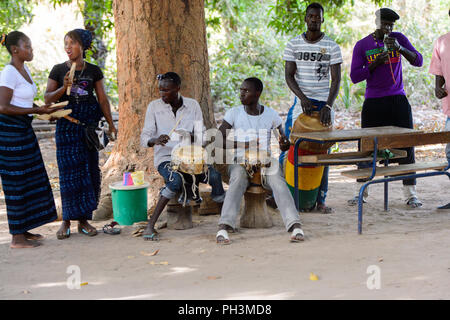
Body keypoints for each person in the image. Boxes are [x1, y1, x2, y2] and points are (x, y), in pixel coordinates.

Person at [44, 29, 117, 239]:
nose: (68, 47)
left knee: (88, 172)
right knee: (69, 174)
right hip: (67, 128)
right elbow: (48, 99)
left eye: (72, 43)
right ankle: (65, 221)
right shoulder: (58, 70)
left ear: (82, 46)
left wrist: (111, 125)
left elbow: (103, 99)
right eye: (65, 43)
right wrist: (63, 88)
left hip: (89, 128)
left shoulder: (93, 70)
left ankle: (84, 222)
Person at [215, 77, 304, 244]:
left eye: (246, 91)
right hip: (240, 160)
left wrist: (284, 143)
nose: (241, 94)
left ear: (257, 93)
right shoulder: (234, 113)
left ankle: (295, 225)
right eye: (241, 90)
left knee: (278, 181)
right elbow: (219, 140)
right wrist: (243, 144)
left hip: (266, 160)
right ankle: (224, 226)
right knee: (238, 178)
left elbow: (283, 143)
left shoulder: (271, 114)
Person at [349, 8, 423, 208]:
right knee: (367, 147)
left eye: (391, 25)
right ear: (376, 22)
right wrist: (375, 63)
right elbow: (355, 77)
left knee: (406, 146)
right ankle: (361, 193)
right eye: (384, 24)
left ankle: (410, 194)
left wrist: (400, 48)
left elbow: (419, 61)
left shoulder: (398, 39)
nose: (388, 28)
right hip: (373, 102)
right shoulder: (362, 45)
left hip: (398, 100)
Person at [140, 72, 225, 241]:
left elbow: (202, 136)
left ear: (178, 89)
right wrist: (155, 140)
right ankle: (151, 225)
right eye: (160, 90)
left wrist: (192, 137)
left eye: (166, 90)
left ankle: (224, 222)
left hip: (192, 158)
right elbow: (144, 138)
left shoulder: (192, 105)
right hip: (166, 158)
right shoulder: (154, 107)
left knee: (215, 177)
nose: (162, 94)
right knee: (175, 181)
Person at [0, 31, 63, 248]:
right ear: (15, 50)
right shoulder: (8, 72)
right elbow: (3, 106)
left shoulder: (24, 69)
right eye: (27, 46)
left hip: (23, 130)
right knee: (15, 181)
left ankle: (24, 228)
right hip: (9, 132)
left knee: (29, 178)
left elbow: (22, 101)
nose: (31, 50)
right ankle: (16, 238)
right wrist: (36, 110)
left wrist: (40, 110)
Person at [281, 2, 342, 214]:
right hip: (301, 104)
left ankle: (320, 200)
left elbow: (336, 79)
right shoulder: (293, 44)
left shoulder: (332, 46)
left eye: (318, 17)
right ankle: (286, 196)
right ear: (306, 18)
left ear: (323, 19)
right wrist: (302, 98)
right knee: (290, 147)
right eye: (311, 16)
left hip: (324, 105)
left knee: (322, 152)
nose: (314, 19)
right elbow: (289, 75)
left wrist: (328, 105)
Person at [429, 9, 450, 210]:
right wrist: (437, 87)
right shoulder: (442, 42)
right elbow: (438, 70)